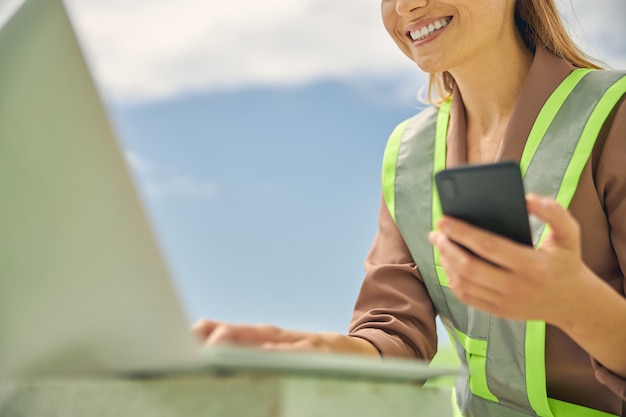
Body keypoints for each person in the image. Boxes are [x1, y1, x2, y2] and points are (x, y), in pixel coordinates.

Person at [193, 0, 626, 415]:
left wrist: (578, 305)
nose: (405, 7)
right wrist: (327, 355)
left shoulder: (614, 115)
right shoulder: (409, 154)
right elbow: (395, 331)